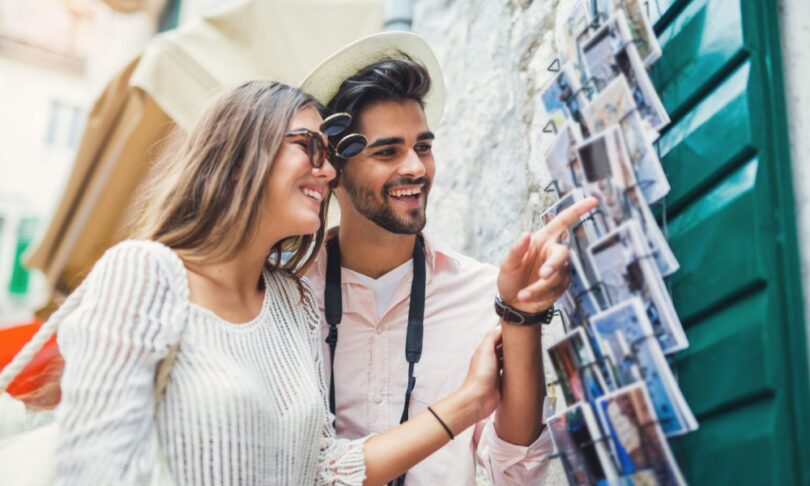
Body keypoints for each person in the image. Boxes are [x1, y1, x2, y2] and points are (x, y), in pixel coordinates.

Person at [38, 80, 507, 485]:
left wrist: (469, 402)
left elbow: (323, 471)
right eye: (309, 146)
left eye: (331, 154)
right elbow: (93, 470)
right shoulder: (146, 273)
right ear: (243, 152)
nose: (327, 171)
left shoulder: (294, 301)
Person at [300, 32, 598, 485]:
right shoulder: (289, 294)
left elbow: (517, 474)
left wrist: (521, 316)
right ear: (334, 169)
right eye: (388, 151)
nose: (416, 168)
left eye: (422, 146)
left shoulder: (482, 291)